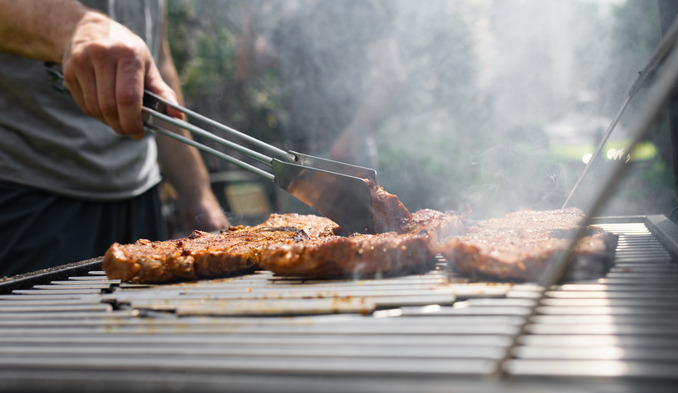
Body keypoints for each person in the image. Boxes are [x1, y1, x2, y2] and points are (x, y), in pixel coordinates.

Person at [0, 0, 229, 276]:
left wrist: (197, 192)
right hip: (31, 189)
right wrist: (82, 27)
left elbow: (157, 55)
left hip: (141, 194)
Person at [237, 0, 405, 169]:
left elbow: (391, 77)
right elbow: (246, 71)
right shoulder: (291, 16)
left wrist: (353, 135)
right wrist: (250, 16)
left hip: (345, 154)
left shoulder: (359, 6)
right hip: (296, 157)